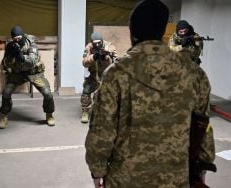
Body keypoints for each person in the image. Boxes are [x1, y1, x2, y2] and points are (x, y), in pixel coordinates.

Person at [85, 0, 215, 187]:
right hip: (176, 178)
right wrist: (203, 165)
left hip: (125, 179)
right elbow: (203, 125)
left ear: (132, 31)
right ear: (162, 31)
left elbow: (101, 128)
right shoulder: (195, 74)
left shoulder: (116, 74)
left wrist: (97, 171)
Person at [0, 26, 55, 128]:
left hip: (33, 73)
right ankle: (4, 116)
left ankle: (49, 114)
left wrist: (19, 55)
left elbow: (32, 61)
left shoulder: (31, 43)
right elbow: (5, 63)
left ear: (23, 36)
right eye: (15, 39)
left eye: (19, 38)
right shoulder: (11, 45)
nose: (17, 41)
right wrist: (10, 55)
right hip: (17, 73)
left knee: (48, 94)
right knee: (6, 93)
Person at [80, 32, 117, 123]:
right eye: (94, 43)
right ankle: (85, 112)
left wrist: (106, 57)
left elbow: (116, 61)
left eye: (98, 42)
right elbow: (84, 63)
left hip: (107, 76)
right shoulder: (89, 47)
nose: (96, 44)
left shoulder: (109, 46)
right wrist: (94, 57)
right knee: (86, 90)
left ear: (102, 41)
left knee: (110, 95)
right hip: (94, 75)